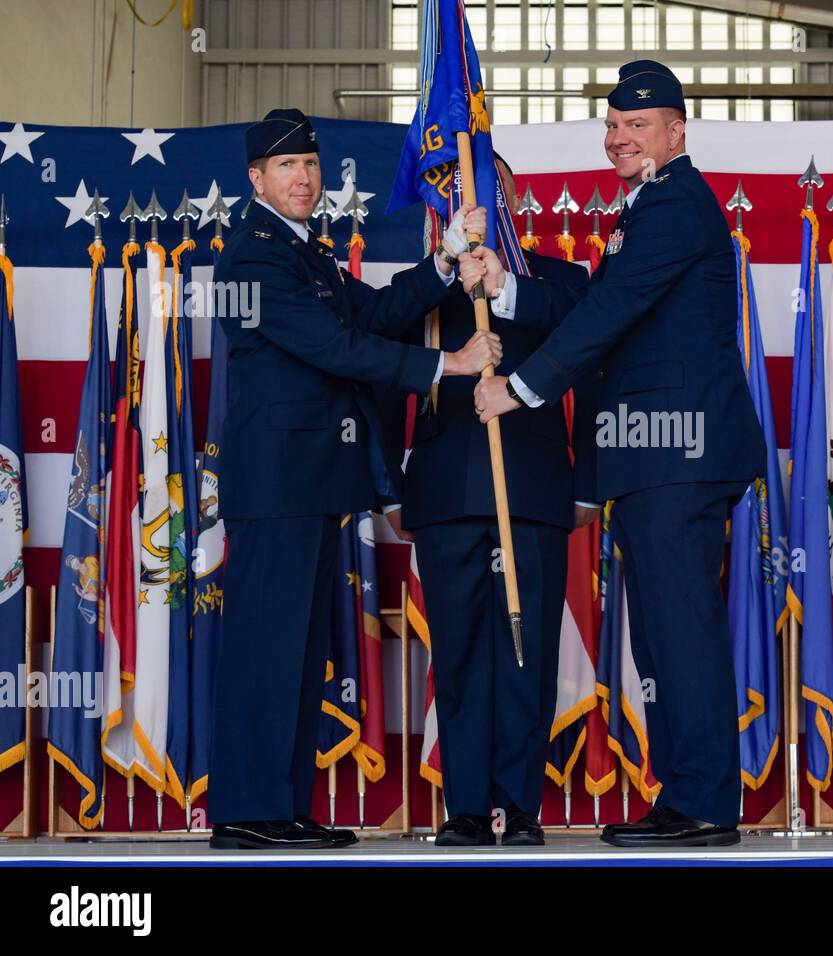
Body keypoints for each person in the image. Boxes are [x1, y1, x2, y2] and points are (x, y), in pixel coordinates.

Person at [464, 60, 765, 847]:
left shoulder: (675, 206)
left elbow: (607, 316)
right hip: (650, 457)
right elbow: (602, 300)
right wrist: (508, 289)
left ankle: (702, 803)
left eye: (637, 126)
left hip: (680, 453)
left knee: (681, 628)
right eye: (612, 126)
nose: (619, 138)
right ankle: (685, 797)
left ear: (676, 132)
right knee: (659, 634)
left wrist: (521, 389)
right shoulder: (647, 209)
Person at [207, 108, 502, 850]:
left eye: (308, 164)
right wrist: (449, 365)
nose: (303, 177)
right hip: (276, 484)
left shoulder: (305, 251)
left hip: (309, 482)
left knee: (299, 653)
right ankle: (248, 812)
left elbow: (374, 313)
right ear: (256, 180)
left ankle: (280, 804)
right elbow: (335, 347)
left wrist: (443, 266)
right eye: (285, 167)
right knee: (265, 651)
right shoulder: (254, 254)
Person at [382, 153, 596, 847]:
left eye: (485, 191)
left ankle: (520, 803)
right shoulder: (420, 288)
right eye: (457, 195)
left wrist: (587, 486)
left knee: (526, 655)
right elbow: (382, 375)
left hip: (530, 491)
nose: (472, 204)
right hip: (443, 497)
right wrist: (388, 487)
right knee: (463, 655)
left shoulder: (556, 280)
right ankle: (468, 807)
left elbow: (589, 348)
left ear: (508, 200)